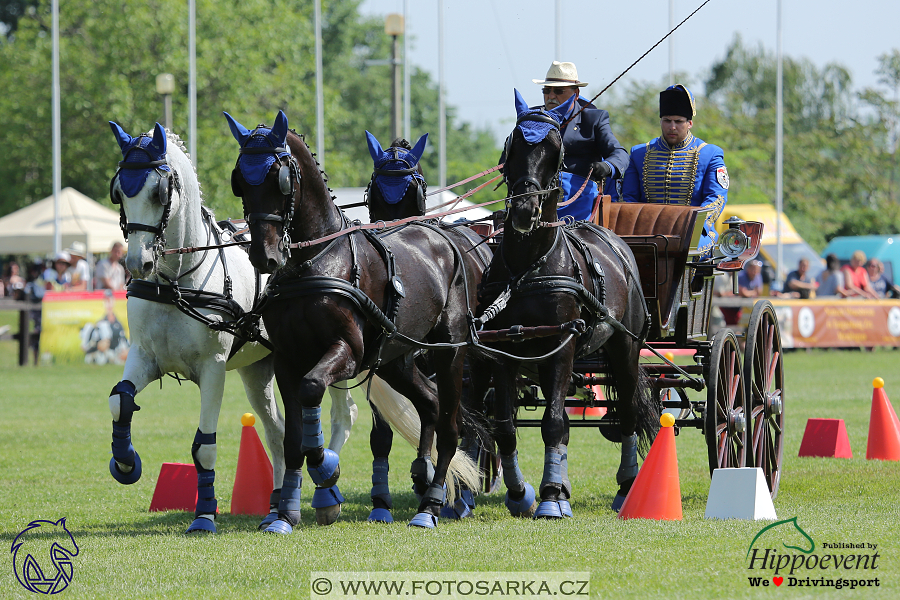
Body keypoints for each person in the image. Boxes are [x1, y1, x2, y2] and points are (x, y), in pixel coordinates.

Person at [621, 84, 729, 257]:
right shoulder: (639, 153)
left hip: (693, 232)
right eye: (667, 121)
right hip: (646, 231)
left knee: (688, 250)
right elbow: (629, 198)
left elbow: (716, 197)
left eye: (678, 122)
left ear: (690, 123)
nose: (672, 127)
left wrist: (695, 225)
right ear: (660, 121)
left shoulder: (710, 154)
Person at [529, 61, 628, 221]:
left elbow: (619, 153)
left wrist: (607, 166)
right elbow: (508, 158)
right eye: (546, 90)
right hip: (535, 199)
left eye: (559, 91)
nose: (551, 96)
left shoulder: (594, 119)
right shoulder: (532, 118)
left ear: (576, 94)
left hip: (579, 200)